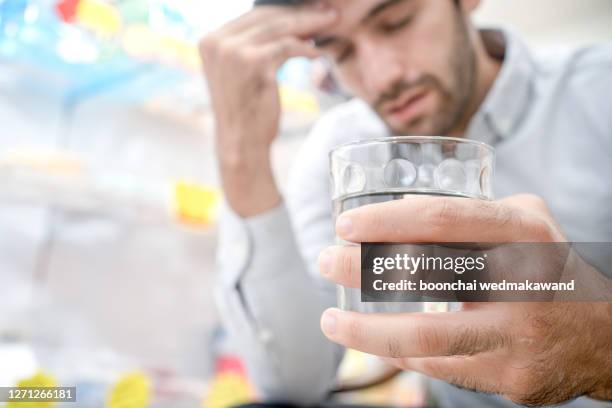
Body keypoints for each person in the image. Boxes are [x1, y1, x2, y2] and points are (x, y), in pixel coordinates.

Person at [199, 0, 612, 406]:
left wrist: (598, 342)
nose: (382, 78)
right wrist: (242, 159)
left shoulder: (599, 92)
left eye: (397, 22)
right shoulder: (342, 150)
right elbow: (296, 384)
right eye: (340, 51)